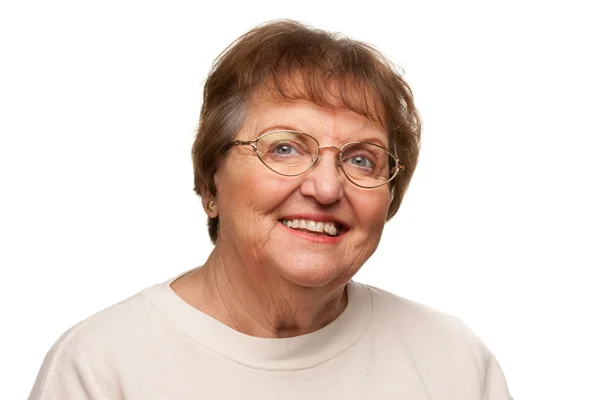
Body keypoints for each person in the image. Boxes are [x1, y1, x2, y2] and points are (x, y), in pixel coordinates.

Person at [29, 20, 512, 399]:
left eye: (362, 158)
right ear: (210, 184)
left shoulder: (452, 360)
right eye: (284, 148)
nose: (326, 187)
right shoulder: (102, 367)